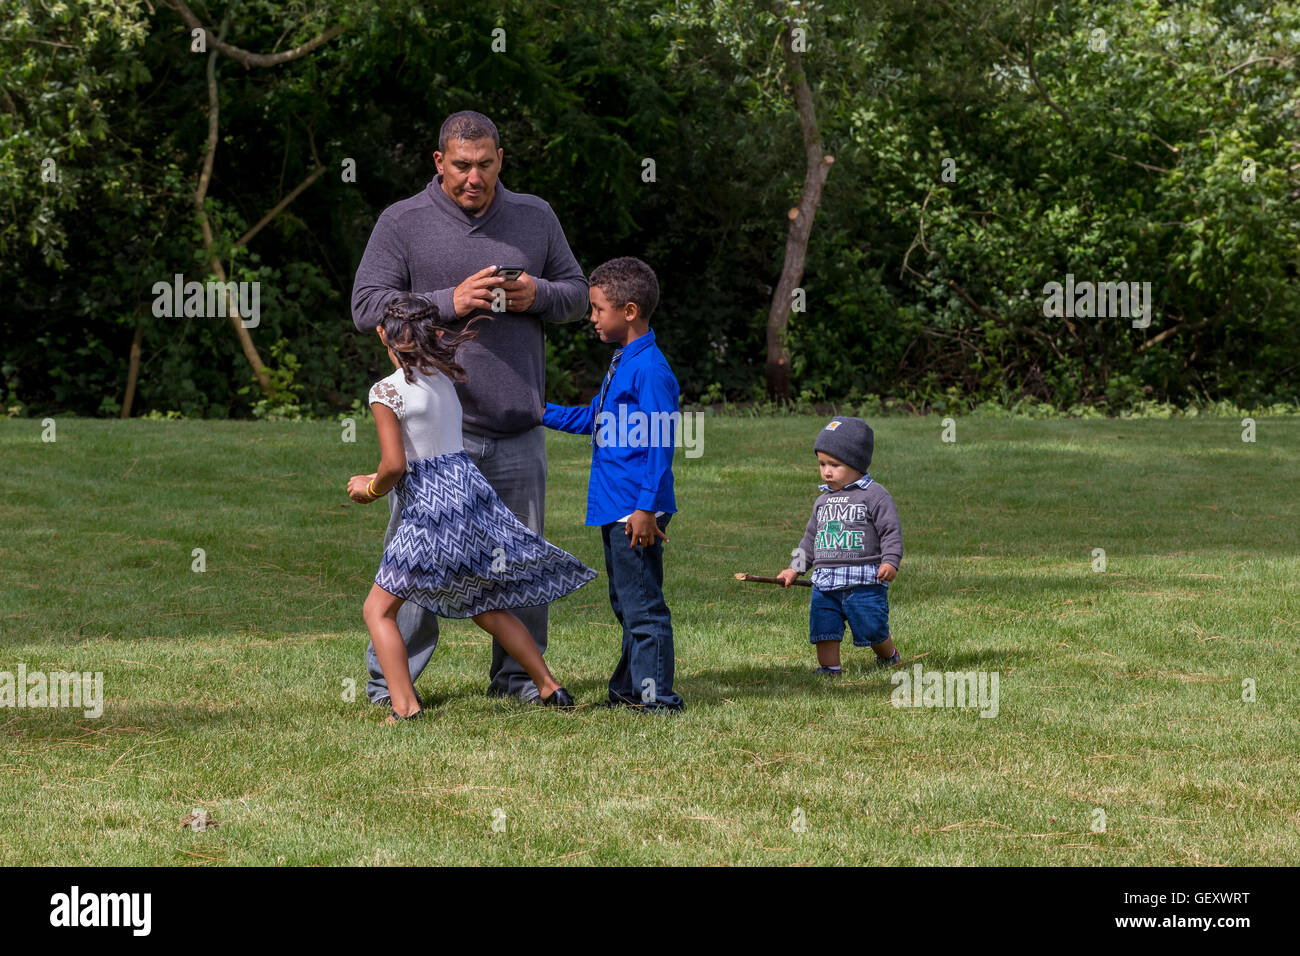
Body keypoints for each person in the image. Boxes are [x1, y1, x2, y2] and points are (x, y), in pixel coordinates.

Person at [351, 110, 589, 705]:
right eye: (460, 166)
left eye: (484, 165)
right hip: (435, 443)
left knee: (519, 565)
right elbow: (366, 306)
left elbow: (580, 295)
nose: (472, 178)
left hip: (516, 427)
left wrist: (540, 294)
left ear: (500, 160)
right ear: (439, 162)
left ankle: (518, 686)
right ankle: (391, 688)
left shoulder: (534, 216)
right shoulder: (402, 221)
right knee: (415, 566)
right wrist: (446, 301)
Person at [348, 293, 595, 720]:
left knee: (378, 609)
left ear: (383, 335)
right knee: (486, 602)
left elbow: (394, 466)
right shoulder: (445, 376)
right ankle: (549, 687)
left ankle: (404, 708)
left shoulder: (386, 392)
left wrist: (368, 488)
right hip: (469, 498)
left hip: (429, 510)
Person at [543, 257, 683, 712]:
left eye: (597, 309)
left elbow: (661, 444)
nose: (592, 318)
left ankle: (656, 698)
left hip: (634, 509)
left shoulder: (650, 369)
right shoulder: (623, 361)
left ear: (628, 310)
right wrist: (539, 411)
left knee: (644, 608)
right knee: (627, 604)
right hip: (617, 504)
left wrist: (645, 508)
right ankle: (627, 690)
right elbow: (598, 419)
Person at [776, 417, 904, 674]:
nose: (826, 471)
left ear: (856, 463)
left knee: (873, 627)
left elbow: (890, 530)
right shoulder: (822, 501)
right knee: (824, 628)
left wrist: (890, 560)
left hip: (863, 579)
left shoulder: (875, 495)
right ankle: (830, 668)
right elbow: (809, 539)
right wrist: (794, 569)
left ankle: (888, 654)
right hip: (825, 582)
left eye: (835, 464)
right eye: (822, 464)